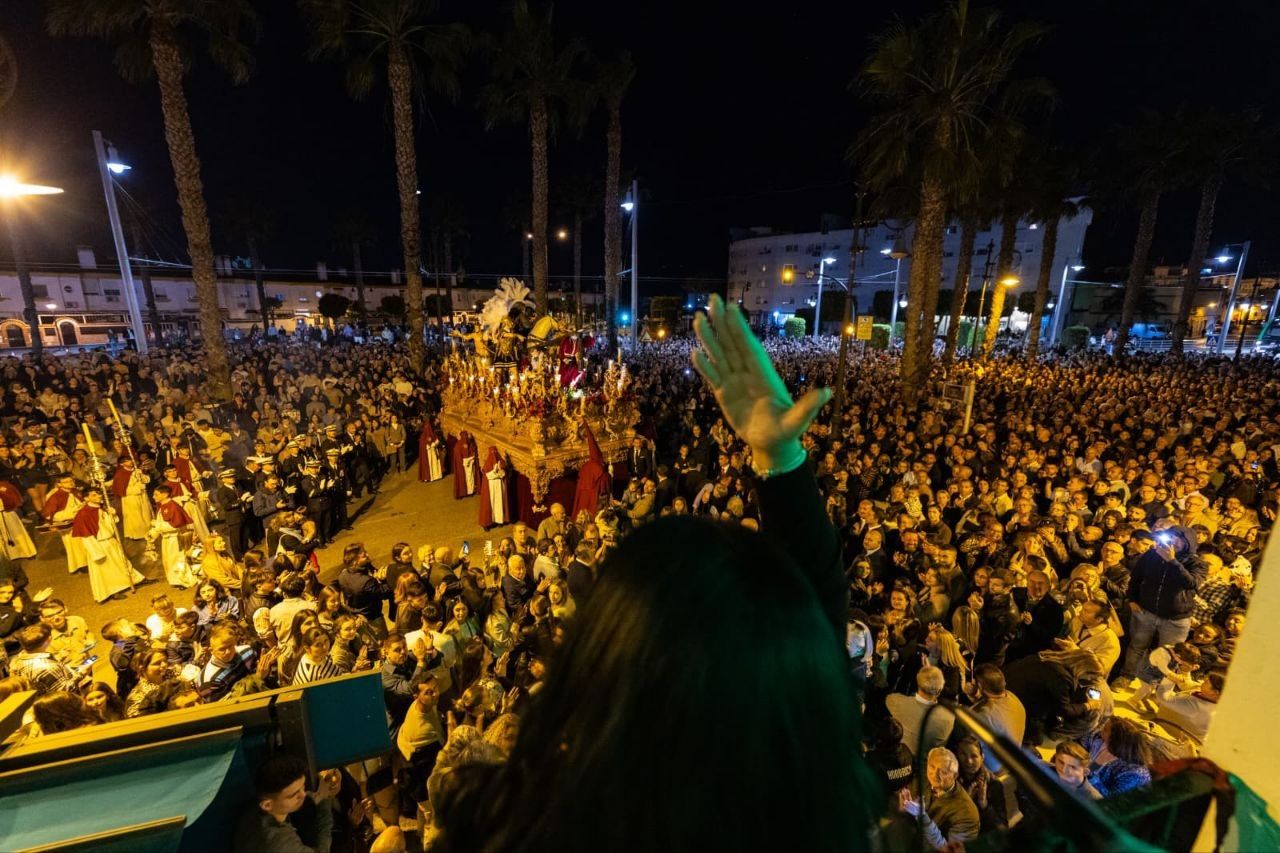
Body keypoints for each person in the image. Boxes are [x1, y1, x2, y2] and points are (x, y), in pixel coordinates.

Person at [433, 296, 876, 851]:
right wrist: (781, 461)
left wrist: (781, 461)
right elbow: (814, 620)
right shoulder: (798, 798)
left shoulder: (541, 818)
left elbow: (812, 623)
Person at [1118, 526, 1207, 688]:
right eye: (1170, 537)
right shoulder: (1152, 554)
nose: (1173, 541)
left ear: (1188, 542)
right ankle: (1126, 676)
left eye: (1177, 538)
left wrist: (1172, 562)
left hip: (1176, 619)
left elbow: (1191, 583)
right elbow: (1136, 577)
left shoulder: (1197, 563)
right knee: (1137, 646)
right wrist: (1132, 599)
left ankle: (1152, 686)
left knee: (1169, 655)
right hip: (1146, 611)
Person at [234, 754, 337, 853]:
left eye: (303, 787)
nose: (304, 795)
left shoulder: (255, 806)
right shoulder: (280, 844)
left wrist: (317, 795)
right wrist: (325, 799)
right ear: (267, 805)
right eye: (294, 795)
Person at [899, 747, 981, 850]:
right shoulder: (924, 776)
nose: (935, 775)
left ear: (955, 775)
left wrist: (923, 817)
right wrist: (904, 808)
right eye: (932, 766)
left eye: (944, 772)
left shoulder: (968, 814)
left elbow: (950, 850)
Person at [72, 489, 144, 603]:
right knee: (106, 569)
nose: (99, 496)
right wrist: (95, 552)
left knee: (121, 562)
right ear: (86, 498)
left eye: (99, 494)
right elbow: (86, 536)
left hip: (111, 541)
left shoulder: (102, 508)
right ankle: (112, 591)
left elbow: (110, 525)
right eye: (94, 495)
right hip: (99, 544)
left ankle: (135, 580)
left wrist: (112, 515)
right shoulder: (84, 513)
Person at [962, 664, 1026, 769]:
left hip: (994, 766)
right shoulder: (1012, 697)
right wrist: (974, 694)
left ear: (980, 686)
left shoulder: (984, 714)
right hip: (1012, 758)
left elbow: (969, 737)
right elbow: (990, 702)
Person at [1081, 718, 1152, 797]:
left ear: (1115, 739)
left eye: (1105, 730)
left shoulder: (1135, 774)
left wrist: (1093, 769)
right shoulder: (1100, 739)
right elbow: (1084, 741)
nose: (1101, 730)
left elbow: (1110, 798)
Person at [477, 447, 510, 529]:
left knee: (499, 503)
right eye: (492, 453)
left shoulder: (501, 462)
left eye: (495, 452)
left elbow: (503, 474)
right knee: (490, 504)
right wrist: (495, 472)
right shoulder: (487, 464)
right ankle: (488, 523)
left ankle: (499, 520)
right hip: (491, 488)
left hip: (499, 486)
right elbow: (488, 475)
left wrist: (499, 471)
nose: (494, 455)